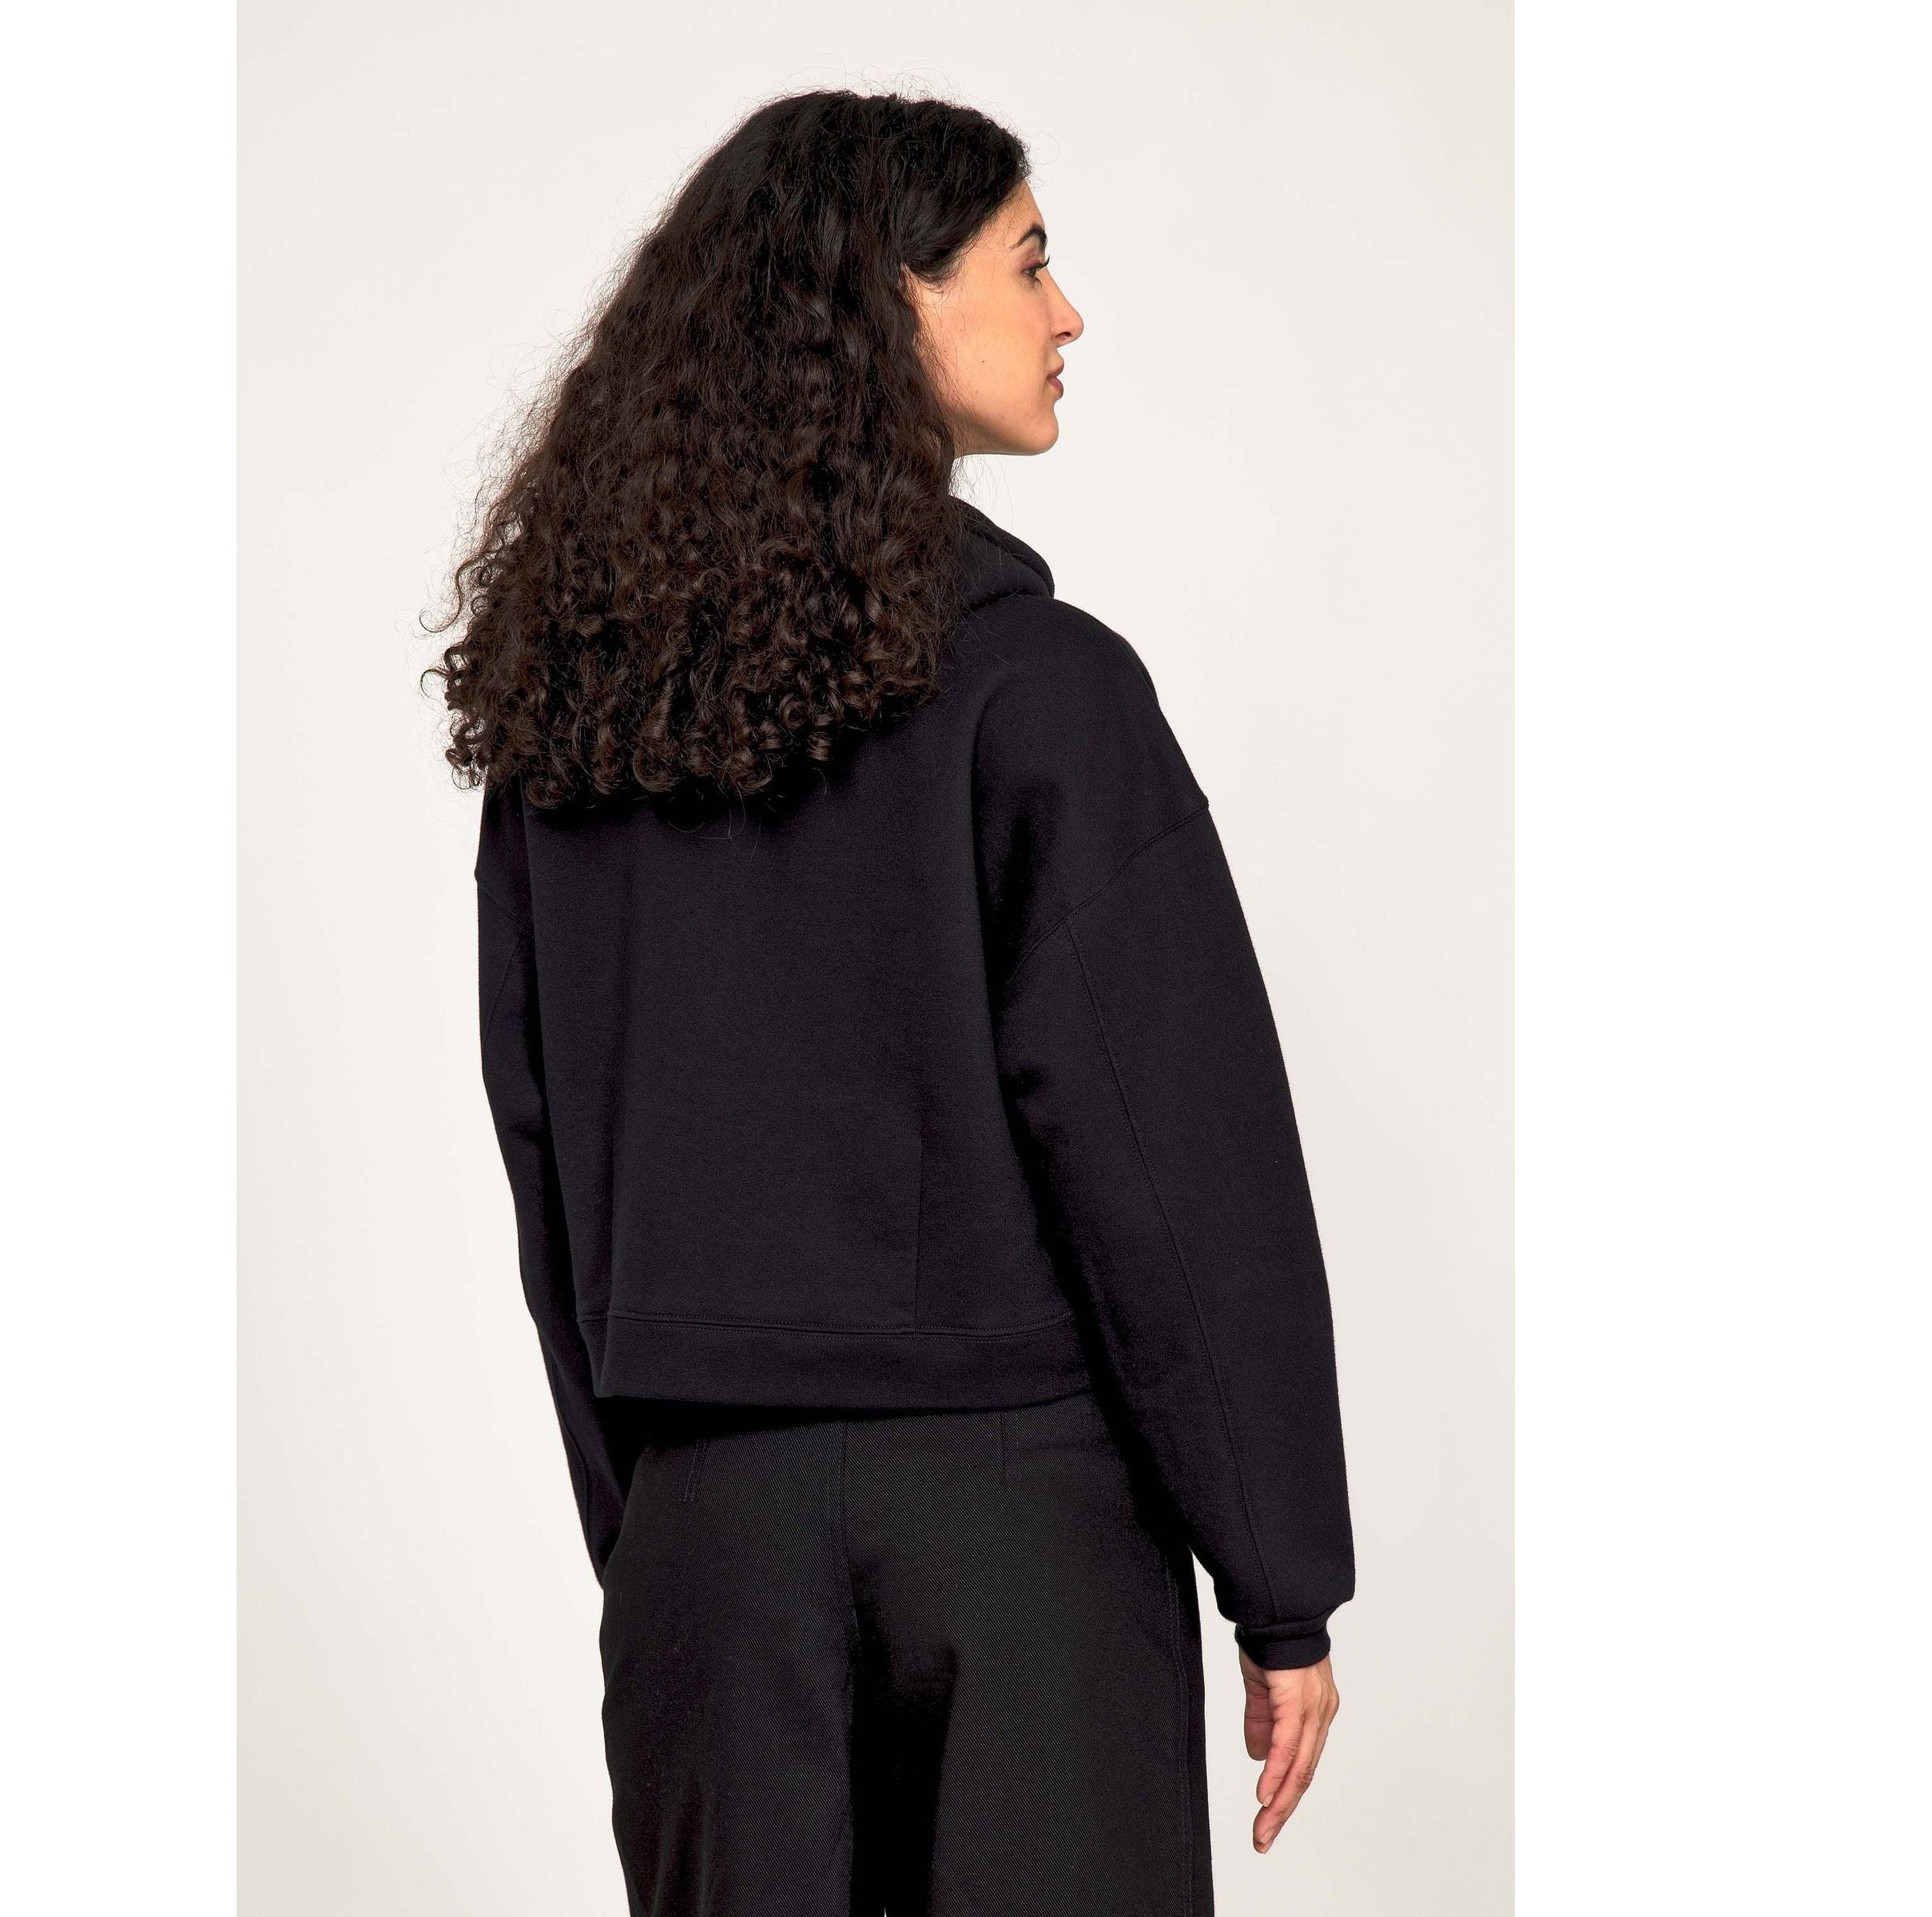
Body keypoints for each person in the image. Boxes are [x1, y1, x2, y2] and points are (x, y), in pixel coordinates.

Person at [431, 88, 1353, 1917]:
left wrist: (663, 1510)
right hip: (1019, 1539)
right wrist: (1281, 1585)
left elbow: (550, 1167)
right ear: (890, 300)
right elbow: (1180, 1164)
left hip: (708, 1539)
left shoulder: (578, 733)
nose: (1068, 311)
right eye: (1029, 262)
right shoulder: (1044, 694)